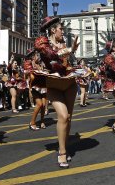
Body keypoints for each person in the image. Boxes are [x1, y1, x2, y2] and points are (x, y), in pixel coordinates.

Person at [33, 16, 79, 169]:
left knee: (69, 118)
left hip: (69, 83)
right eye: (61, 29)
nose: (63, 31)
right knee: (63, 116)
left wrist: (70, 52)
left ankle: (63, 146)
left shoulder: (63, 43)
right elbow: (50, 54)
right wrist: (69, 50)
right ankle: (62, 152)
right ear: (53, 30)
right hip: (53, 84)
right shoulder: (42, 42)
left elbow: (66, 62)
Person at [25, 49, 47, 130]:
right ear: (32, 57)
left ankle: (42, 121)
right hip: (35, 86)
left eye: (37, 55)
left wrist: (43, 70)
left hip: (43, 85)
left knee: (44, 105)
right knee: (39, 104)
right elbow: (27, 73)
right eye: (36, 55)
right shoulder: (28, 63)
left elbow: (45, 71)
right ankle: (32, 122)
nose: (38, 56)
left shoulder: (40, 64)